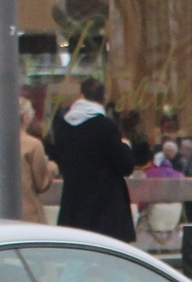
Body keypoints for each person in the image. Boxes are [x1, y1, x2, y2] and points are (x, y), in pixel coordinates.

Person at [49, 78, 135, 240]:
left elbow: (59, 158)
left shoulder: (63, 126)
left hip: (74, 204)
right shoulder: (106, 126)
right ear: (103, 98)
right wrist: (125, 146)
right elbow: (125, 166)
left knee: (77, 253)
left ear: (81, 95)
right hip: (104, 208)